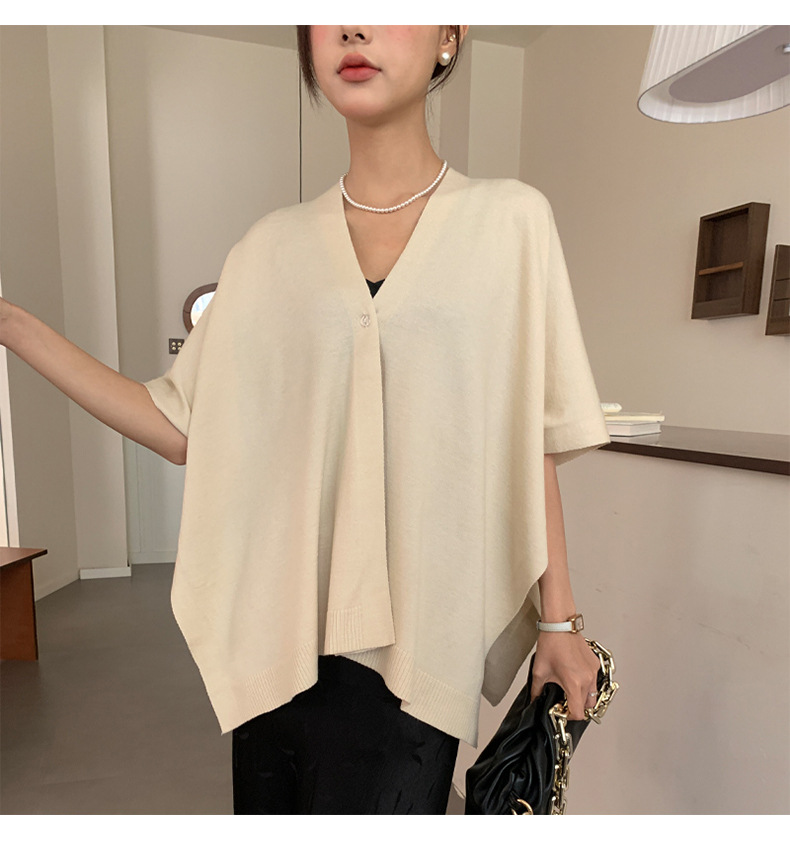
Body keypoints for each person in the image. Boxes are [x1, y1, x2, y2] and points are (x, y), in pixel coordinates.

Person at [0, 25, 609, 814]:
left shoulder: (511, 223)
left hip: (418, 649)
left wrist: (559, 620)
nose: (352, 26)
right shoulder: (268, 251)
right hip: (280, 649)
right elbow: (180, 424)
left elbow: (533, 438)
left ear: (448, 35)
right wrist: (12, 324)